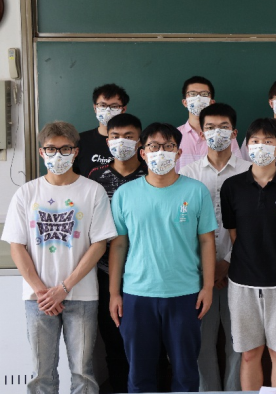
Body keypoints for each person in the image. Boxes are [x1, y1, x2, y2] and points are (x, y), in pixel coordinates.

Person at [2, 121, 117, 394]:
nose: (58, 155)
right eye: (51, 149)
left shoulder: (93, 191)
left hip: (82, 295)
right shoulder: (26, 193)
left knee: (83, 372)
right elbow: (16, 246)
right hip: (38, 298)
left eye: (65, 149)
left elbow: (99, 244)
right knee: (41, 373)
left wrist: (64, 288)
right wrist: (43, 291)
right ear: (41, 152)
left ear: (75, 152)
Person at [109, 123, 217, 393]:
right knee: (140, 374)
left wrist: (208, 286)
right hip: (137, 294)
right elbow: (119, 245)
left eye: (168, 146)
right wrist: (114, 293)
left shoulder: (196, 191)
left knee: (185, 373)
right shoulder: (124, 194)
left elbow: (207, 241)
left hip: (185, 294)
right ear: (142, 153)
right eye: (153, 146)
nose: (161, 152)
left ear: (179, 153)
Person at [220, 118, 276, 390]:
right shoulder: (232, 186)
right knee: (249, 354)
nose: (261, 146)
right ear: (246, 146)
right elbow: (234, 233)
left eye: (268, 141)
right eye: (255, 141)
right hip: (242, 283)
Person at [179, 103, 250, 392]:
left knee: (238, 343)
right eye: (209, 127)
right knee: (201, 343)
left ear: (234, 133)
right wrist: (207, 268)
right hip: (197, 274)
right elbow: (183, 226)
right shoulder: (187, 173)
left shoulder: (250, 171)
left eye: (223, 127)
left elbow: (252, 225)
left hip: (241, 271)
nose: (216, 132)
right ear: (201, 133)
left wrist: (228, 262)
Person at [87, 113, 147, 394]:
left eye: (128, 136)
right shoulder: (95, 178)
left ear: (140, 141)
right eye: (115, 136)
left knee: (148, 343)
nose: (121, 142)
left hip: (145, 272)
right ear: (107, 140)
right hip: (104, 272)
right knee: (113, 342)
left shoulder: (152, 173)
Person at [177, 76, 242, 170]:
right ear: (185, 102)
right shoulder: (175, 135)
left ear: (212, 102)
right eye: (192, 94)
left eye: (204, 94)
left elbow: (238, 167)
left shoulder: (225, 133)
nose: (198, 98)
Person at [75, 83, 130, 177]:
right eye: (103, 105)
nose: (108, 110)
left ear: (123, 109)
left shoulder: (132, 142)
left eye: (114, 106)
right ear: (95, 108)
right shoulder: (79, 141)